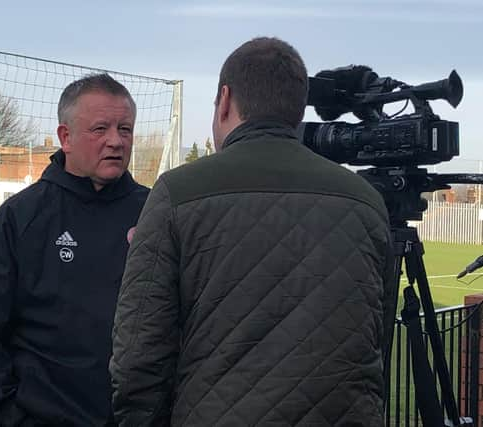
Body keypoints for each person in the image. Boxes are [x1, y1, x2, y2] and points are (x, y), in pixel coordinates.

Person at [110, 37, 394, 426]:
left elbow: (139, 356)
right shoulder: (366, 202)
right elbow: (374, 344)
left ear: (224, 100)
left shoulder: (178, 193)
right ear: (297, 110)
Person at [0, 73, 149, 426]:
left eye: (125, 129)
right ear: (65, 137)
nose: (116, 141)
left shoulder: (155, 215)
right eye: (100, 129)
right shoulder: (19, 219)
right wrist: (11, 417)